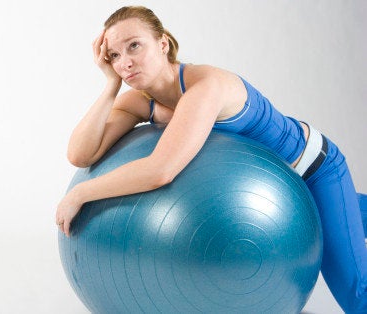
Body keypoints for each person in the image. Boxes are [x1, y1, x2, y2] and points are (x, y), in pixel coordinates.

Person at [55, 5, 367, 313]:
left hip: (313, 172)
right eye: (114, 55)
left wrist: (81, 193)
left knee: (355, 294)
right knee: (350, 217)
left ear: (162, 43)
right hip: (267, 196)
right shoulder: (139, 102)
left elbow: (160, 170)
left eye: (134, 46)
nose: (125, 62)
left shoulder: (207, 86)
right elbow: (80, 153)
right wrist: (110, 86)